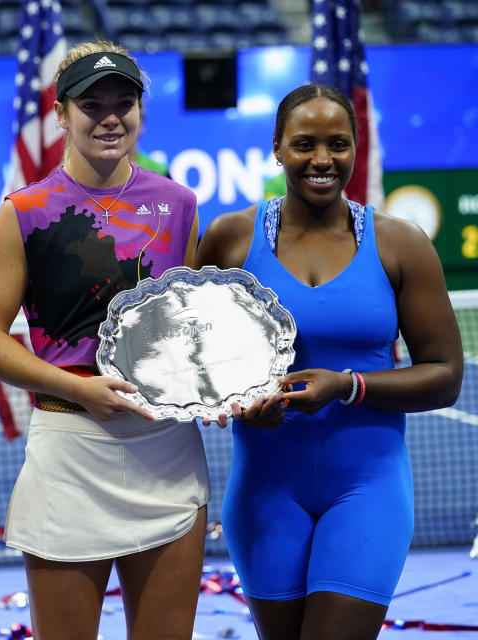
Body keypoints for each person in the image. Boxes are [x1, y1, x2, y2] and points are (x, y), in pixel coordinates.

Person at [196, 83, 463, 639]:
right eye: (304, 144)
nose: (322, 160)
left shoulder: (401, 244)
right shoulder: (228, 240)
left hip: (367, 489)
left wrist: (348, 385)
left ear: (355, 148)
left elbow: (445, 376)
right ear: (277, 148)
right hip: (264, 491)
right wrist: (242, 406)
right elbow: (200, 367)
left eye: (338, 144)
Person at [0, 41, 209, 639]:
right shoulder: (23, 211)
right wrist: (79, 390)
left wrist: (213, 385)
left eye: (123, 103)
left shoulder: (178, 205)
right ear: (61, 115)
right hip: (69, 453)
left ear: (141, 111)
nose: (110, 117)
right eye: (91, 104)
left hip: (167, 452)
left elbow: (187, 327)